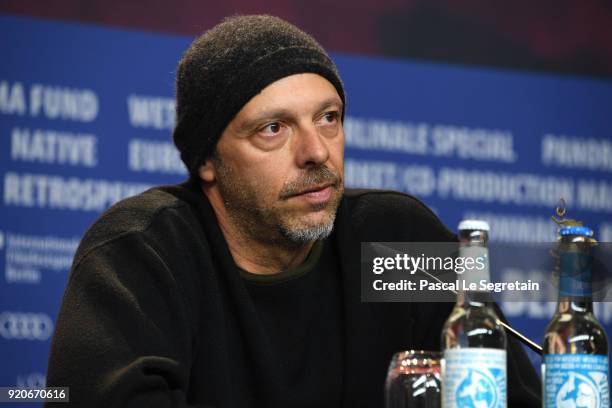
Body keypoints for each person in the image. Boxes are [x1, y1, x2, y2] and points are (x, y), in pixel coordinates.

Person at [45, 15, 540, 407]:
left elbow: (514, 398)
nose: (317, 152)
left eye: (328, 118)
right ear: (207, 161)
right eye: (273, 129)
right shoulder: (143, 251)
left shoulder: (396, 237)